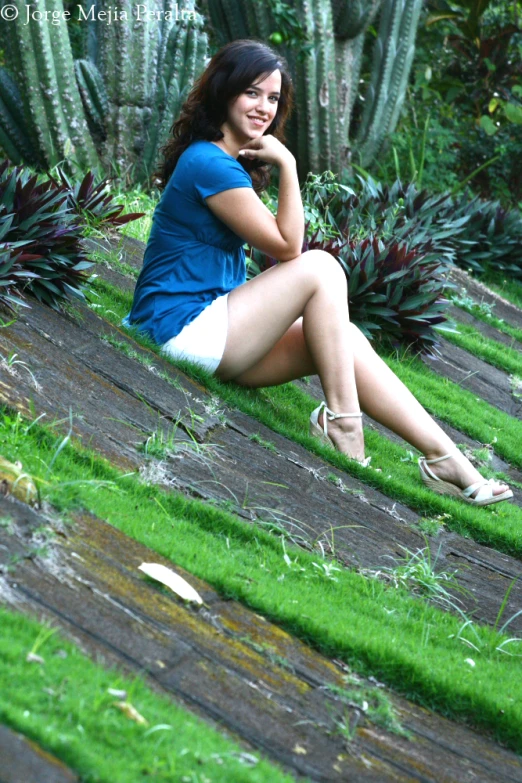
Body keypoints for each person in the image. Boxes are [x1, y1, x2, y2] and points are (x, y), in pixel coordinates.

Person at [123, 39, 513, 507]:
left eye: (273, 98)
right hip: (180, 329)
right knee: (321, 267)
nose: (264, 108)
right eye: (252, 93)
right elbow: (290, 248)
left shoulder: (225, 163)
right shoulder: (208, 163)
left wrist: (281, 164)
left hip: (212, 334)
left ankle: (447, 460)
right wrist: (287, 164)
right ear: (224, 93)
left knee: (341, 336)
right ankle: (343, 422)